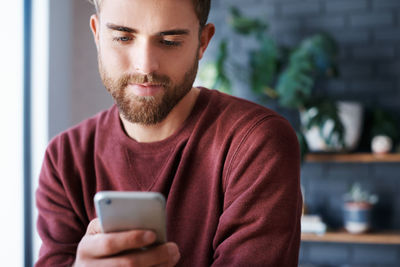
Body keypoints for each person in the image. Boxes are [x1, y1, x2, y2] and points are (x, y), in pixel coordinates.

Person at [35, 0, 302, 266]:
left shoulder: (255, 142)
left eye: (170, 41)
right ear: (97, 35)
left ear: (202, 42)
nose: (145, 66)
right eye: (123, 37)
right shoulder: (64, 157)